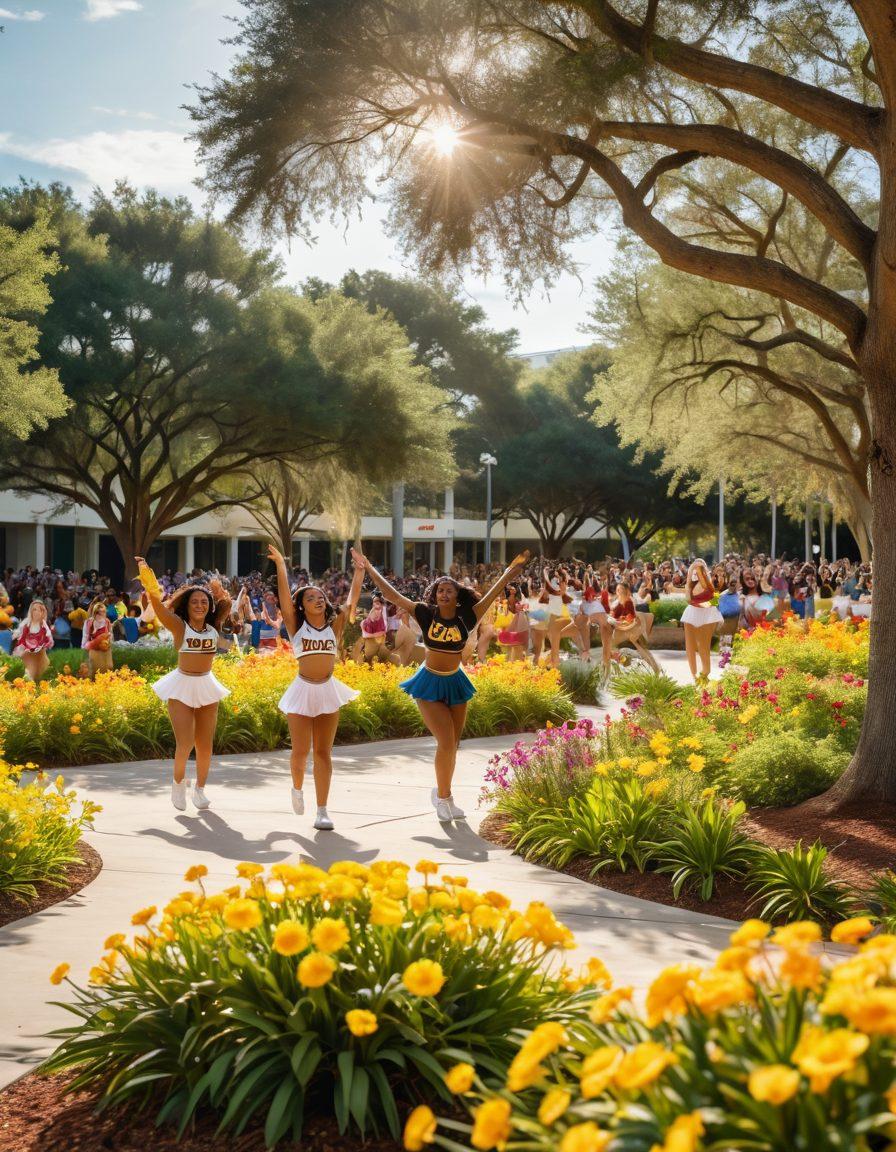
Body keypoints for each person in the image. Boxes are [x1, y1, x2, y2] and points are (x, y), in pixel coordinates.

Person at [352, 544, 529, 822]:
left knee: (453, 744)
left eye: (449, 590)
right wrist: (368, 566)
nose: (444, 593)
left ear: (457, 597)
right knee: (445, 742)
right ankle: (444, 800)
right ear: (434, 595)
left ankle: (443, 792)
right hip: (429, 683)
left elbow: (494, 591)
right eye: (440, 590)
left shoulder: (468, 616)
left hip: (455, 681)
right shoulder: (425, 613)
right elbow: (392, 594)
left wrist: (510, 571)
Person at [269, 544, 363, 831]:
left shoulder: (334, 626)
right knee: (300, 752)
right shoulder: (296, 626)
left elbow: (351, 600)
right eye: (310, 598)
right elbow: (284, 599)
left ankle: (322, 809)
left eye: (321, 596)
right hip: (302, 690)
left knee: (323, 752)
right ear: (302, 605)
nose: (318, 600)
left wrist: (359, 571)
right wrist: (281, 566)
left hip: (327, 690)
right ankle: (297, 788)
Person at [136, 558, 232, 811]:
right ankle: (178, 783)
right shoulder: (180, 627)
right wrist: (146, 573)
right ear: (186, 606)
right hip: (181, 685)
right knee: (186, 742)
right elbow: (158, 605)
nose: (200, 606)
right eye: (194, 602)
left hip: (206, 685)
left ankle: (199, 789)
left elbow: (227, 603)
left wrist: (219, 590)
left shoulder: (214, 627)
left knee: (205, 744)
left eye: (204, 602)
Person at [682, 558, 722, 682]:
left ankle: (705, 673)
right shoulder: (691, 584)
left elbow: (715, 601)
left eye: (700, 568)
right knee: (690, 646)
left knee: (704, 645)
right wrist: (689, 577)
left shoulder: (712, 582)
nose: (697, 571)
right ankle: (695, 676)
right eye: (695, 569)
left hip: (708, 614)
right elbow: (688, 599)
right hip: (691, 614)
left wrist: (703, 605)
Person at [12, 600, 53, 680]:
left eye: (39, 610)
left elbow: (49, 638)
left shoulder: (43, 624)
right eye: (34, 610)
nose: (36, 612)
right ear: (31, 611)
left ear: (43, 612)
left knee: (40, 673)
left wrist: (46, 642)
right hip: (26, 652)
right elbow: (18, 632)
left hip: (39, 653)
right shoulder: (27, 622)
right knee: (28, 672)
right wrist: (16, 634)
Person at [82, 597, 114, 678]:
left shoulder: (107, 622)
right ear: (94, 613)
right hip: (94, 650)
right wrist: (84, 650)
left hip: (105, 651)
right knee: (94, 671)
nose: (101, 615)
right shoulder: (89, 622)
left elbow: (111, 635)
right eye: (98, 613)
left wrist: (109, 642)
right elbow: (85, 636)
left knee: (107, 669)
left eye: (103, 612)